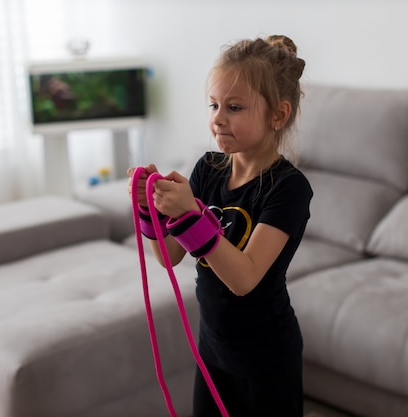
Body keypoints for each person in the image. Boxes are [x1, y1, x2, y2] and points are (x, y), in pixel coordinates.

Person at [128, 35, 312, 417]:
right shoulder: (207, 169)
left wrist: (190, 216)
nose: (218, 118)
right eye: (214, 105)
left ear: (278, 115)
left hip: (267, 359)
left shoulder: (289, 188)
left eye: (234, 107)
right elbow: (168, 255)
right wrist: (154, 210)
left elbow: (244, 278)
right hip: (212, 349)